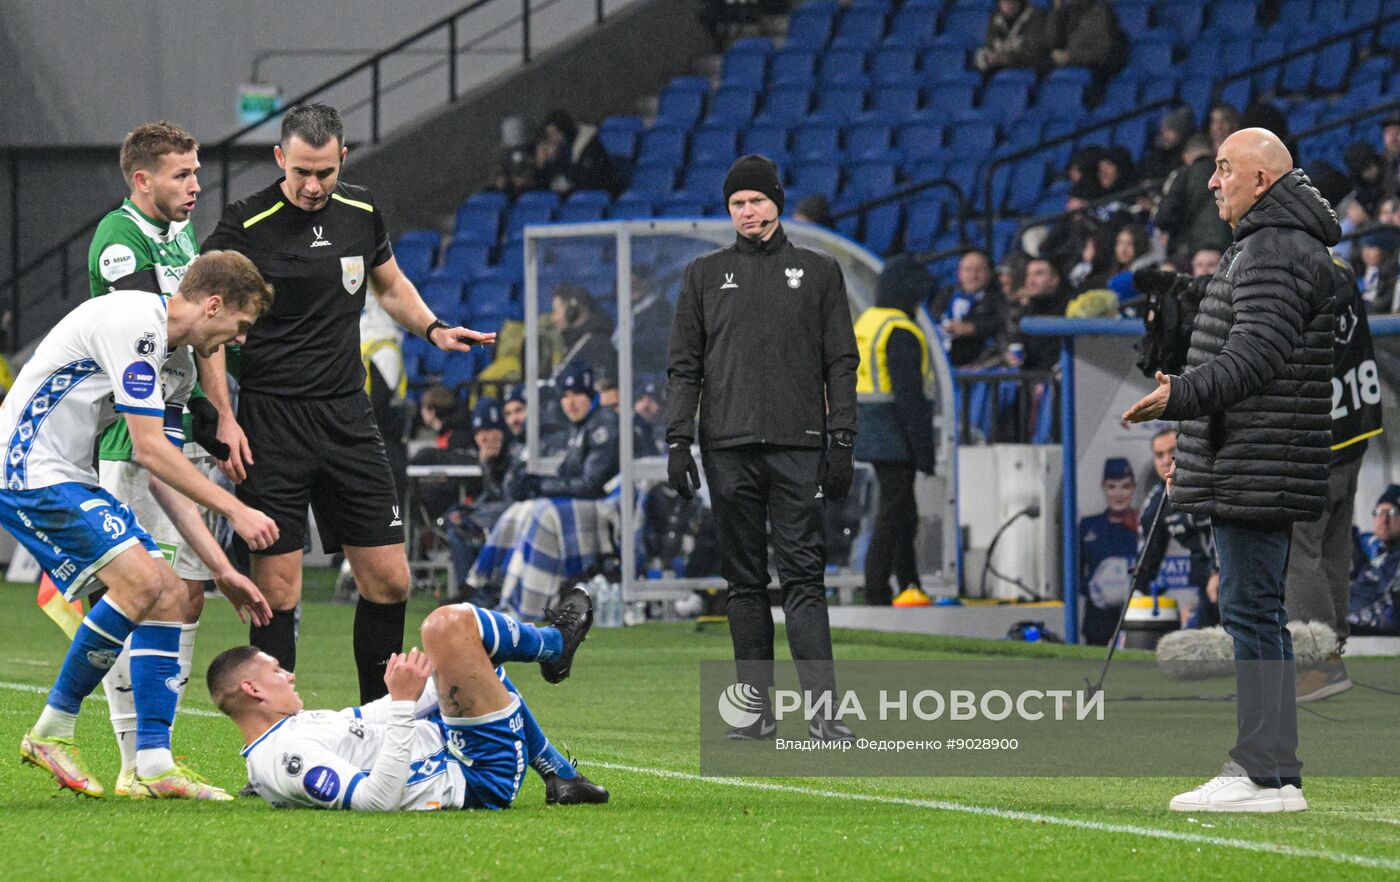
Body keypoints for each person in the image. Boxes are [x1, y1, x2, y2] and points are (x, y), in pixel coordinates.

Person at [200, 103, 496, 703]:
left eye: (325, 172)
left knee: (390, 579)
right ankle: (276, 742)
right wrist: (224, 416)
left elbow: (390, 285)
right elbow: (203, 325)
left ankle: (377, 724)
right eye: (302, 171)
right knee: (277, 590)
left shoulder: (362, 212)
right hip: (271, 420)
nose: (313, 186)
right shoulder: (244, 224)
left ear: (342, 159)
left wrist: (433, 327)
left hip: (347, 417)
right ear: (281, 158)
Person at [3, 251, 278, 800]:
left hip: (69, 474)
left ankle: (153, 765)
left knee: (172, 594)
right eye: (240, 327)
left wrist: (221, 569)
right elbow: (149, 451)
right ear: (214, 304)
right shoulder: (134, 321)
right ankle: (53, 729)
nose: (240, 341)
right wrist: (235, 510)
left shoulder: (175, 365)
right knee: (145, 582)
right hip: (25, 465)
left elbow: (164, 479)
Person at [1125, 128, 1339, 813]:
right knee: (1255, 613)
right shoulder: (1272, 246)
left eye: (1224, 169)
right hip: (1254, 453)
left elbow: (1253, 360)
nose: (1212, 182)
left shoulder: (1273, 250)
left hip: (1258, 455)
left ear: (1263, 181)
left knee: (1252, 614)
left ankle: (1263, 772)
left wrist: (1176, 397)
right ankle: (1270, 772)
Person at [665, 154, 859, 741]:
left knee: (804, 579)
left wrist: (842, 438)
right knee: (744, 583)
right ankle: (756, 715)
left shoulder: (820, 271)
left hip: (800, 448)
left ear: (777, 200)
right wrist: (678, 439)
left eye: (755, 200)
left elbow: (841, 363)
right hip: (727, 448)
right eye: (736, 204)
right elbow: (684, 366)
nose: (747, 212)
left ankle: (824, 716)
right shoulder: (702, 274)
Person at [84, 120, 235, 795]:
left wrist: (219, 415)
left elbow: (200, 334)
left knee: (187, 595)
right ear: (142, 179)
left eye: (196, 172)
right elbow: (159, 329)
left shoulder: (181, 233)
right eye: (181, 175)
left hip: (179, 431)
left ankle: (158, 754)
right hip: (134, 437)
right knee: (144, 591)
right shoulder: (119, 243)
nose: (196, 185)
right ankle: (133, 762)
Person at [208, 589, 607, 810]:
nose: (289, 675)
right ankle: (554, 645)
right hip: (476, 773)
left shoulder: (289, 732)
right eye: (277, 671)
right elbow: (374, 801)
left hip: (448, 747)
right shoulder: (286, 758)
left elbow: (369, 721)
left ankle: (562, 778)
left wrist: (413, 685)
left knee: (461, 651)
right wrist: (402, 703)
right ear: (252, 690)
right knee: (446, 626)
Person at [1286, 257, 1382, 702]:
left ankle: (1322, 662)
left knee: (1297, 552)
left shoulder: (1295, 273)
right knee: (1332, 548)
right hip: (1356, 427)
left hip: (1316, 436)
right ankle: (1335, 645)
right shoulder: (1343, 268)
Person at [468, 364, 622, 619]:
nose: (570, 402)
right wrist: (536, 483)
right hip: (589, 504)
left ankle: (529, 604)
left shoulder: (602, 424)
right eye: (565, 396)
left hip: (610, 508)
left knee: (543, 513)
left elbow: (590, 485)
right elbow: (566, 475)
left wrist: (540, 486)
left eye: (577, 395)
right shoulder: (581, 426)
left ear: (590, 395)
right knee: (522, 509)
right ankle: (486, 584)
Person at [854, 256, 937, 606]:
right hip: (893, 431)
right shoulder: (900, 329)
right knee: (892, 512)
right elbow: (910, 398)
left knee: (903, 510)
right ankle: (876, 588)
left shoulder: (870, 320)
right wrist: (924, 451)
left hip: (868, 426)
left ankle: (909, 583)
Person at [1137, 429, 1219, 628]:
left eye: (1172, 451)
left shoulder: (1211, 480)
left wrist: (1219, 571)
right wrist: (1139, 592)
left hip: (1234, 571)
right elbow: (1149, 554)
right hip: (1205, 581)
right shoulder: (1156, 502)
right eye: (1159, 455)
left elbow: (1228, 531)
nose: (1166, 460)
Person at [1078, 458, 1139, 645]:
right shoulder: (1089, 526)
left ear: (1133, 488)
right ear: (1103, 488)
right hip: (1098, 622)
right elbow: (1072, 573)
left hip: (1134, 619)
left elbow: (1156, 569)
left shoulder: (1144, 524)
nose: (1118, 494)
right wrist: (1093, 589)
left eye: (1125, 486)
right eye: (1112, 486)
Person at [1155, 133, 1233, 260]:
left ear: (1186, 156)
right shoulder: (1229, 173)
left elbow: (1165, 215)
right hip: (1228, 245)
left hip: (1192, 251)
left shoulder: (1183, 174)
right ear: (1214, 151)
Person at [929, 248, 1004, 367]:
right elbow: (933, 316)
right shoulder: (947, 293)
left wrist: (972, 328)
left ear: (989, 273)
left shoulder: (997, 298)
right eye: (968, 270)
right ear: (959, 273)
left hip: (977, 363)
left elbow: (999, 322)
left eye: (979, 270)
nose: (973, 275)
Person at [1347, 485, 1400, 637]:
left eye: (1391, 512)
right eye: (1378, 512)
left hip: (1372, 627)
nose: (1383, 520)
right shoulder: (1366, 547)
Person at [550, 284, 618, 383]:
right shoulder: (576, 342)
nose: (553, 318)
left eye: (556, 311)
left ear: (572, 311)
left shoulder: (598, 345)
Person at [1046, 0, 1124, 78]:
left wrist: (1071, 57)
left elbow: (1102, 51)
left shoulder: (1101, 14)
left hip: (1093, 73)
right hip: (1064, 67)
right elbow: (1051, 41)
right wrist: (1056, 12)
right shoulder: (1065, 11)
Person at [974, 0, 1049, 73]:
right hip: (998, 70)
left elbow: (1034, 54)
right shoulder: (995, 19)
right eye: (1004, 1)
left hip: (1025, 72)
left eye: (1012, 1)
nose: (1008, 4)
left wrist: (1002, 59)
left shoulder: (1036, 17)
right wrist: (985, 57)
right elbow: (989, 44)